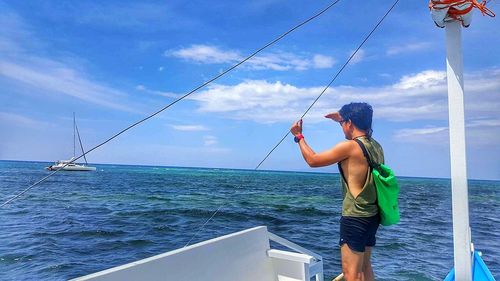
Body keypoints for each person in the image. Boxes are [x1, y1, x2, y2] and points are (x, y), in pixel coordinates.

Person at [290, 102, 384, 281]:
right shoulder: (375, 146)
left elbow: (313, 160)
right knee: (365, 266)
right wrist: (342, 117)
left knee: (351, 273)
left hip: (355, 216)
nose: (342, 127)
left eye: (343, 123)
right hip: (372, 214)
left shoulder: (350, 146)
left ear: (349, 123)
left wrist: (299, 136)